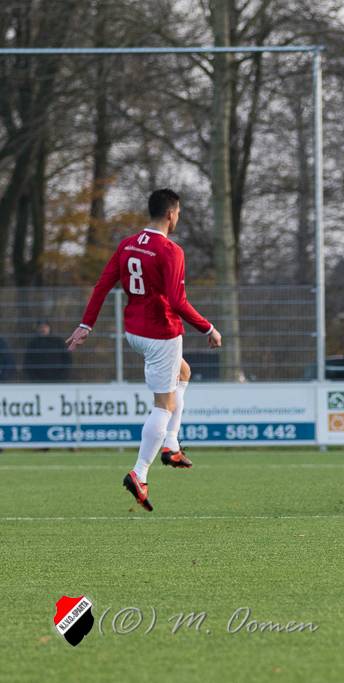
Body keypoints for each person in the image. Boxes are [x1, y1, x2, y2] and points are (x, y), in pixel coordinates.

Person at [66, 189, 222, 512]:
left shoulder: (128, 244)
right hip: (161, 334)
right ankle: (140, 473)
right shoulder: (170, 250)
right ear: (171, 214)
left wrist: (86, 325)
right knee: (163, 405)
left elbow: (103, 285)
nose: (178, 218)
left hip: (134, 332)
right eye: (178, 214)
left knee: (184, 372)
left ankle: (171, 444)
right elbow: (177, 302)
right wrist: (208, 328)